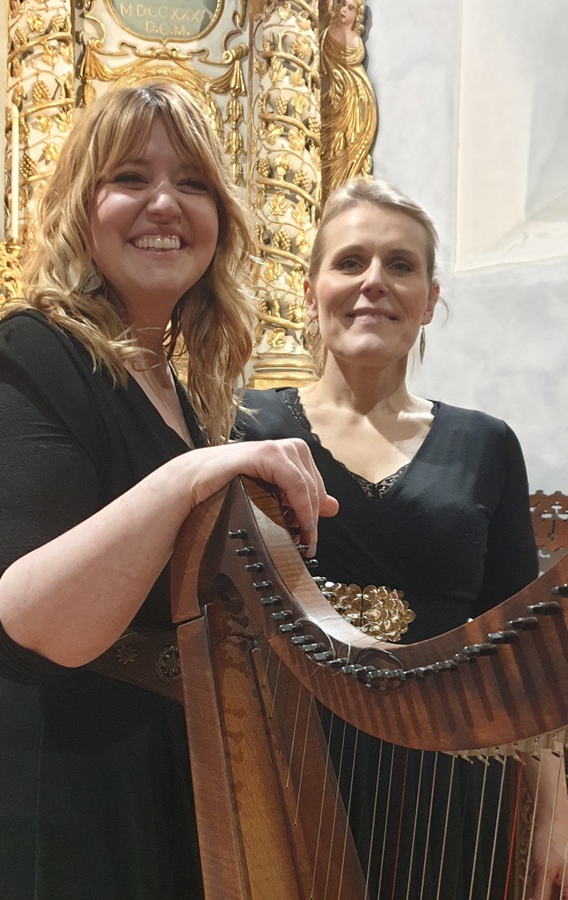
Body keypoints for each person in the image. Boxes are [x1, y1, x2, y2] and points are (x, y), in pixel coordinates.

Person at [0, 82, 337, 900]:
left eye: (192, 183)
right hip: (34, 787)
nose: (164, 203)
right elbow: (18, 628)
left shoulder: (174, 390)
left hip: (132, 770)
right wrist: (189, 476)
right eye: (129, 178)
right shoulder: (23, 355)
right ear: (80, 207)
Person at [235, 177, 568, 900]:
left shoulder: (486, 444)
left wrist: (553, 807)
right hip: (287, 764)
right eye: (350, 261)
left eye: (400, 265)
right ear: (310, 291)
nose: (374, 282)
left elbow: (523, 651)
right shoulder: (243, 428)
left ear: (430, 298)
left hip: (453, 778)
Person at [320, 0, 377, 194]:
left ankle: (347, 188)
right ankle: (332, 190)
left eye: (350, 8)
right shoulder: (327, 34)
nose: (344, 10)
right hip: (335, 99)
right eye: (342, 4)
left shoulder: (356, 39)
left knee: (351, 146)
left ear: (357, 15)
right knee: (332, 146)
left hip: (359, 101)